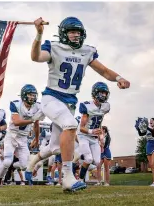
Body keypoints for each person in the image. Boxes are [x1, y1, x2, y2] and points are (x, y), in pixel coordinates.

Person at [26, 16, 130, 192]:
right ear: (63, 33)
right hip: (52, 97)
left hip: (69, 102)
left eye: (78, 32)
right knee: (71, 124)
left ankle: (32, 162)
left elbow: (104, 71)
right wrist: (38, 34)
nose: (75, 35)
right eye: (72, 32)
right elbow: (36, 57)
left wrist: (119, 78)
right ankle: (67, 177)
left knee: (55, 147)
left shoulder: (86, 51)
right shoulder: (54, 47)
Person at [0, 84, 43, 187]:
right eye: (30, 95)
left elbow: (37, 124)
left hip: (23, 138)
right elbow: (16, 122)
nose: (32, 97)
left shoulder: (37, 106)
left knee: (25, 165)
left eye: (34, 95)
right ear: (24, 95)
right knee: (7, 161)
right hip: (11, 136)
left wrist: (37, 138)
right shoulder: (16, 104)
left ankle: (13, 167)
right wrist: (32, 119)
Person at [77, 82, 110, 183]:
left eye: (105, 93)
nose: (104, 95)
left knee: (97, 161)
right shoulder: (87, 106)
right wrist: (91, 131)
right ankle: (80, 180)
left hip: (94, 137)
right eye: (101, 93)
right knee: (89, 159)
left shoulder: (105, 106)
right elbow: (81, 127)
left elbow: (99, 122)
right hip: (83, 135)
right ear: (95, 93)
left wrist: (100, 135)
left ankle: (80, 159)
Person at [135, 117, 154, 186]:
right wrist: (138, 128)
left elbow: (153, 133)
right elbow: (140, 134)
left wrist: (146, 127)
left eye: (152, 121)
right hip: (148, 145)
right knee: (151, 165)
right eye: (150, 121)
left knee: (153, 165)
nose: (150, 122)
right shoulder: (148, 129)